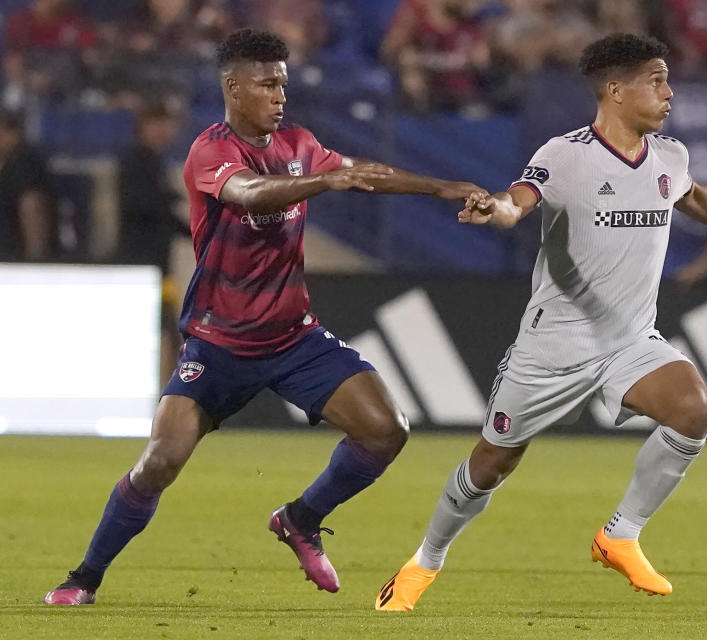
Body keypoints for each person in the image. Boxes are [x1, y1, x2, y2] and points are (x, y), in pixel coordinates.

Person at [43, 28, 485, 606]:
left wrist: (443, 188)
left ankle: (300, 519)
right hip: (216, 344)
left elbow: (364, 171)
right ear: (233, 87)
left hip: (292, 337)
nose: (280, 94)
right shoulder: (211, 151)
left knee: (386, 429)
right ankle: (85, 577)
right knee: (159, 462)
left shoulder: (300, 142)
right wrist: (325, 179)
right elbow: (249, 194)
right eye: (267, 84)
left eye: (284, 83)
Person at [375, 32, 707, 611]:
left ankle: (620, 535)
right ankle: (424, 561)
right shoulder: (566, 154)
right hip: (552, 347)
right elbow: (518, 200)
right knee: (490, 465)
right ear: (615, 90)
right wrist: (495, 211)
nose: (669, 92)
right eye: (656, 80)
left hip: (629, 341)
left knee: (693, 410)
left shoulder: (668, 157)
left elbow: (694, 195)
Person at [114, 101, 191, 379]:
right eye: (158, 124)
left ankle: (168, 393)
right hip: (140, 264)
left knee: (167, 329)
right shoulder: (135, 160)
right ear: (144, 127)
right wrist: (169, 200)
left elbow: (165, 216)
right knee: (158, 331)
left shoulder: (154, 162)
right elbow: (143, 206)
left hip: (158, 266)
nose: (165, 131)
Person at [0, 108, 57, 261]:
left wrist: (34, 256)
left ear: (10, 132)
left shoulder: (24, 161)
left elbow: (32, 205)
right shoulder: (10, 160)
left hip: (15, 257)